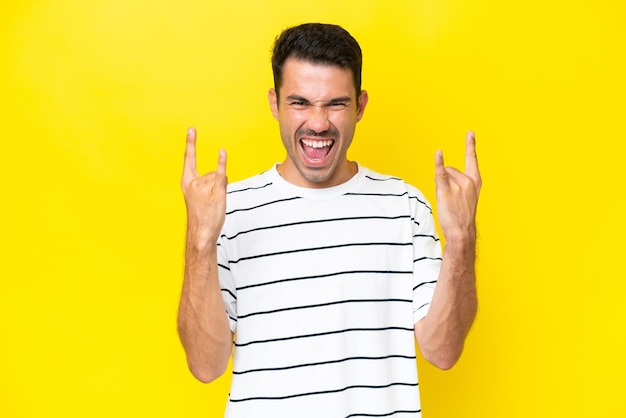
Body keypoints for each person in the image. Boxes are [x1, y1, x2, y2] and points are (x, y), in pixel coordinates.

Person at [178, 23, 481, 417]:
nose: (318, 123)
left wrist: (461, 239)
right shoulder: (229, 210)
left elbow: (442, 351)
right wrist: (200, 241)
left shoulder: (404, 206)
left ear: (360, 105)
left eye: (335, 103)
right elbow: (205, 366)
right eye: (300, 102)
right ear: (274, 103)